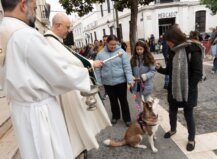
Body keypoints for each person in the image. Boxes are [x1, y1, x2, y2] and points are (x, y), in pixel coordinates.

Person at [0, 0, 93, 159]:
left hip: (19, 108)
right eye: (34, 8)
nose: (35, 13)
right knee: (49, 152)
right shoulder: (25, 34)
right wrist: (86, 73)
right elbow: (58, 72)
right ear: (23, 5)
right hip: (39, 112)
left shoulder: (3, 30)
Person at [44, 13, 111, 159]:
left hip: (67, 85)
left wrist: (90, 63)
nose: (69, 30)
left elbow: (72, 57)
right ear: (58, 25)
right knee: (73, 122)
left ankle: (79, 147)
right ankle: (77, 149)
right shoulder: (50, 40)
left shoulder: (54, 40)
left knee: (77, 121)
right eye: (67, 27)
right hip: (66, 91)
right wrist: (92, 64)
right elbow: (73, 61)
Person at [155, 25, 202, 151]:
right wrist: (159, 69)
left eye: (168, 41)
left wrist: (189, 88)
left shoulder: (193, 49)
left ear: (175, 39)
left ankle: (191, 139)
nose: (167, 44)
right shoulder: (173, 51)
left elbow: (198, 73)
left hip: (188, 90)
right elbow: (170, 71)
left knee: (188, 114)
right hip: (174, 89)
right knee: (172, 111)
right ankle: (173, 129)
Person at [95, 35, 133, 127]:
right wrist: (99, 82)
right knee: (113, 100)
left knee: (123, 100)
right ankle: (115, 116)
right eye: (111, 44)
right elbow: (98, 69)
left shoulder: (121, 52)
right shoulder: (100, 54)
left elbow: (127, 67)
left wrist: (130, 80)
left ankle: (127, 118)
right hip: (108, 82)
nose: (113, 46)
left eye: (115, 44)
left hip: (120, 81)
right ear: (106, 43)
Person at [130, 40, 156, 112]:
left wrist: (145, 76)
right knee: (137, 101)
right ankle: (139, 115)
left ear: (144, 49)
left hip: (146, 84)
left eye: (141, 49)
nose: (139, 51)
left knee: (148, 102)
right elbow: (129, 70)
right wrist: (131, 77)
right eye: (137, 49)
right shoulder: (133, 59)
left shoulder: (149, 58)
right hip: (136, 85)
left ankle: (149, 116)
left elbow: (153, 71)